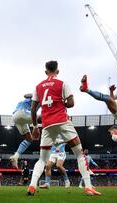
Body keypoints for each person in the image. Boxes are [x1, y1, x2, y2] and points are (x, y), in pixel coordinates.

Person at [27, 61, 101, 196]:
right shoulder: (63, 83)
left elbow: (33, 108)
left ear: (45, 72)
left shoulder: (38, 86)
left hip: (47, 124)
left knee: (42, 159)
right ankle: (88, 187)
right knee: (79, 153)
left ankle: (32, 185)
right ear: (58, 71)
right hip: (62, 121)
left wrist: (35, 127)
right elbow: (71, 103)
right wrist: (62, 103)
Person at [10, 94, 37, 169]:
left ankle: (15, 156)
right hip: (23, 113)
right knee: (45, 117)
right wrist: (35, 127)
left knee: (29, 139)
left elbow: (26, 95)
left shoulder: (22, 102)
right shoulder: (36, 99)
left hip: (15, 117)